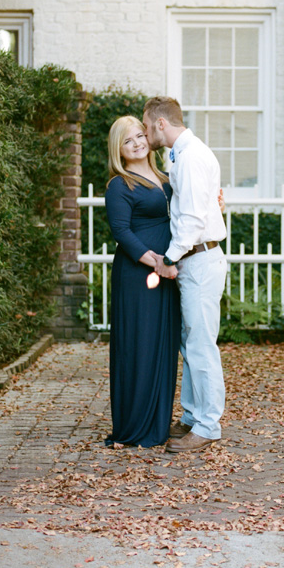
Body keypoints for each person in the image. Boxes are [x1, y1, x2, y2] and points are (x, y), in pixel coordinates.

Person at [144, 96, 228, 454]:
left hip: (200, 259)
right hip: (196, 260)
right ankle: (193, 416)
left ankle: (208, 425)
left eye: (147, 126)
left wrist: (168, 258)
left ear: (161, 123)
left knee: (201, 345)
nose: (146, 134)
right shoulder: (180, 154)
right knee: (190, 342)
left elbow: (193, 220)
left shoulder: (191, 156)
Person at [103, 116, 180, 448]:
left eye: (139, 136)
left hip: (168, 272)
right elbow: (121, 233)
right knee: (139, 345)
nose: (137, 143)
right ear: (118, 150)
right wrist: (157, 262)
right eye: (127, 141)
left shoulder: (165, 177)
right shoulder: (120, 184)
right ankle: (133, 426)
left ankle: (157, 423)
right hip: (138, 276)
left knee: (163, 343)